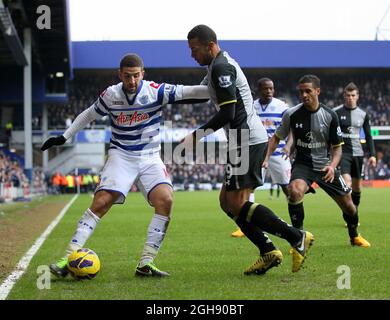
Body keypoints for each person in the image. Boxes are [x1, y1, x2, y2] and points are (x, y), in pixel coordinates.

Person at [41, 53, 210, 278]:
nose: (132, 81)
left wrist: (213, 75)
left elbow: (195, 93)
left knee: (166, 200)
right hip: (121, 155)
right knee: (101, 202)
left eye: (136, 76)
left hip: (150, 157)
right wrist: (65, 136)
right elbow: (88, 115)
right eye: (128, 76)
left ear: (143, 73)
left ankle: (145, 263)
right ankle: (68, 258)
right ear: (120, 74)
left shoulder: (156, 91)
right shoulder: (111, 95)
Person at [184, 24, 314, 274]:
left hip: (247, 140)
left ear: (210, 45)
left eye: (195, 49)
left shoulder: (222, 66)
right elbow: (200, 94)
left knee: (236, 201)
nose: (192, 55)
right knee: (226, 202)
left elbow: (228, 112)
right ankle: (268, 251)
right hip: (241, 141)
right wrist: (163, 96)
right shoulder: (215, 66)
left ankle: (296, 236)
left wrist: (195, 136)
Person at [265, 74, 370, 247]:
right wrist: (266, 158)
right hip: (303, 165)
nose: (304, 95)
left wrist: (332, 166)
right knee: (294, 191)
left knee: (350, 207)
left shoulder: (330, 116)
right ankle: (298, 239)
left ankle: (354, 236)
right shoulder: (291, 114)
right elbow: (276, 138)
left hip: (325, 166)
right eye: (301, 92)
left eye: (308, 91)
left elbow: (337, 148)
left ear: (318, 91)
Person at [231, 78, 292, 238]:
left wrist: (289, 145)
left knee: (288, 189)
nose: (269, 91)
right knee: (249, 187)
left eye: (271, 88)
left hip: (279, 153)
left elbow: (292, 128)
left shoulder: (282, 106)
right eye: (266, 89)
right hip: (258, 153)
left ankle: (295, 221)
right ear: (259, 90)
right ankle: (247, 225)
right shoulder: (253, 107)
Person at [333, 83, 376, 224]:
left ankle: (354, 212)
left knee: (357, 187)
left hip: (358, 154)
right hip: (342, 153)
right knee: (347, 182)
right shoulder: (336, 112)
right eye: (348, 95)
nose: (350, 98)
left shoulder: (363, 114)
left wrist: (372, 155)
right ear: (344, 96)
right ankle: (348, 213)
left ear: (357, 96)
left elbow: (369, 136)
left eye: (353, 95)